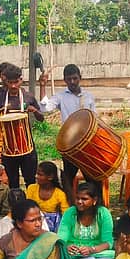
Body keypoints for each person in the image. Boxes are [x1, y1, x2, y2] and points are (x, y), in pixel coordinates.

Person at [37, 64, 98, 194]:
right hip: (69, 144)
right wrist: (43, 86)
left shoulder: (88, 96)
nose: (72, 82)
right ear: (64, 80)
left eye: (75, 78)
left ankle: (96, 206)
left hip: (88, 143)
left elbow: (94, 118)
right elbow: (44, 108)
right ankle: (68, 206)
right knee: (68, 179)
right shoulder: (61, 96)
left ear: (80, 78)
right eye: (69, 79)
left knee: (92, 179)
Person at [0, 63, 44, 188]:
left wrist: (34, 111)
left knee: (30, 181)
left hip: (27, 147)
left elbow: (41, 119)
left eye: (16, 82)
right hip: (8, 148)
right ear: (5, 81)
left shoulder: (28, 96)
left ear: (21, 80)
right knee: (13, 183)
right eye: (10, 82)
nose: (13, 85)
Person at [56, 182, 115, 259]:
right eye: (77, 198)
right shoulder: (70, 212)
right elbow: (61, 237)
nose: (79, 202)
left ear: (94, 200)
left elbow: (108, 242)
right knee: (55, 257)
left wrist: (91, 249)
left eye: (84, 199)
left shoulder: (103, 213)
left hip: (96, 253)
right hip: (72, 255)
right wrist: (67, 247)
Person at [25, 161, 69, 232]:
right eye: (37, 174)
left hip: (53, 228)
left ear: (50, 177)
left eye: (40, 175)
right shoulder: (31, 188)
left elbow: (66, 215)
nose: (36, 176)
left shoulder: (59, 194)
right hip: (34, 223)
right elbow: (27, 207)